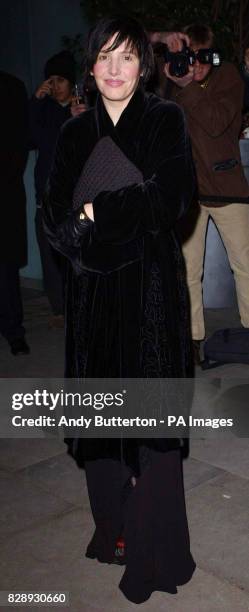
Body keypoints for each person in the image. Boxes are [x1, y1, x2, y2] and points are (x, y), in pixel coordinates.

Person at [43, 16, 196, 604]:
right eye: (103, 56)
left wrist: (96, 214)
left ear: (143, 66)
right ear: (90, 65)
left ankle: (157, 558)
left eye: (126, 57)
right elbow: (55, 220)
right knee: (104, 436)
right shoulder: (73, 135)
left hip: (151, 297)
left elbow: (173, 197)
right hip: (93, 299)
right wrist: (88, 223)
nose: (113, 68)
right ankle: (116, 533)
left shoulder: (163, 120)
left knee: (153, 437)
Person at [165, 24, 249, 363]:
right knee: (186, 271)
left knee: (246, 265)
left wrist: (188, 87)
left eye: (200, 55)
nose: (195, 62)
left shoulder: (227, 76)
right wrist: (177, 80)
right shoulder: (175, 78)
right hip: (189, 191)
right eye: (188, 54)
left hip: (227, 188)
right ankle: (191, 340)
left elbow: (216, 121)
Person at [29, 51, 86, 327]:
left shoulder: (81, 107)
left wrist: (73, 115)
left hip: (75, 197)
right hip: (47, 197)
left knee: (78, 253)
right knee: (49, 256)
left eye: (60, 79)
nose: (55, 85)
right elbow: (30, 138)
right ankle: (58, 309)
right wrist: (36, 101)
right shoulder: (46, 111)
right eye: (50, 79)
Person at [0, 71, 30, 355]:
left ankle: (13, 330)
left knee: (6, 267)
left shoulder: (11, 87)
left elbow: (21, 139)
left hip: (4, 192)